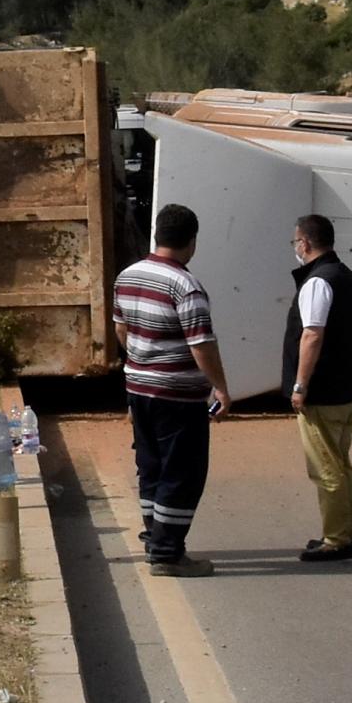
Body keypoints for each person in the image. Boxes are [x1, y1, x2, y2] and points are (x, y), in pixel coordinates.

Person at [111, 202, 232, 576]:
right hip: (177, 396)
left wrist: (141, 361)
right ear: (191, 242)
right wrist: (221, 388)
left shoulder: (127, 276)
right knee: (182, 471)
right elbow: (201, 346)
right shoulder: (186, 286)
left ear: (157, 234)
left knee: (150, 466)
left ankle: (154, 535)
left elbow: (121, 329)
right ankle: (166, 553)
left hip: (139, 388)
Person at [286, 213, 352, 562]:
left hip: (323, 392)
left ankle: (336, 539)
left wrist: (300, 385)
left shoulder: (318, 282)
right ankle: (343, 532)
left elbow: (312, 334)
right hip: (346, 388)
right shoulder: (346, 276)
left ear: (305, 243)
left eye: (295, 242)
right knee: (341, 464)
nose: (295, 248)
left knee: (326, 468)